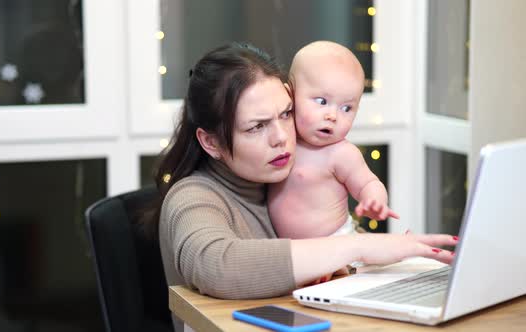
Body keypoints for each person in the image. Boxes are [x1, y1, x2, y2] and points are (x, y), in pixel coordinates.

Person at [155, 42, 457, 332]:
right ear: (210, 142)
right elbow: (216, 266)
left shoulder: (280, 176)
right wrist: (359, 246)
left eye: (286, 114)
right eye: (257, 126)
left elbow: (329, 246)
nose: (281, 138)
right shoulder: (192, 196)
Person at [269, 40, 397, 240]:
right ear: (290, 94)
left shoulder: (341, 153)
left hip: (336, 242)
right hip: (291, 251)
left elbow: (368, 183)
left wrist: (374, 201)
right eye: (322, 102)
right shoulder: (281, 140)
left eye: (346, 108)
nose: (333, 116)